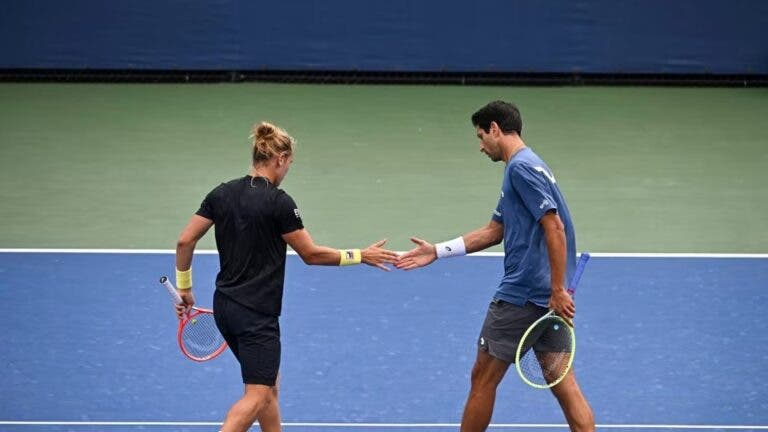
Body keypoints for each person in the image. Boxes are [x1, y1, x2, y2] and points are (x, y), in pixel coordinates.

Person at [173, 121, 399, 432]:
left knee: (268, 386)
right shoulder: (279, 203)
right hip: (256, 316)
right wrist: (361, 255)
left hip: (225, 307)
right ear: (280, 158)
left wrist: (185, 287)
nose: (288, 170)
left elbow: (185, 241)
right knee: (257, 394)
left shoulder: (221, 193)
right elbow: (312, 254)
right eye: (289, 163)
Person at [396, 101, 595, 432]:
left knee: (482, 379)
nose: (480, 146)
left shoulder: (521, 169)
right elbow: (494, 231)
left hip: (523, 295)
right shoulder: (528, 166)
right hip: (546, 298)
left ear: (495, 129)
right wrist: (437, 251)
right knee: (562, 383)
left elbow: (554, 226)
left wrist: (558, 289)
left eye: (480, 136)